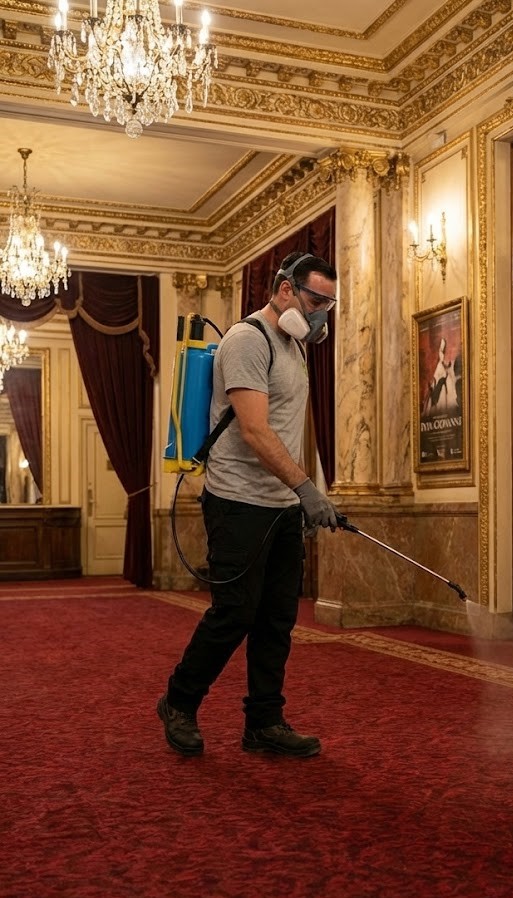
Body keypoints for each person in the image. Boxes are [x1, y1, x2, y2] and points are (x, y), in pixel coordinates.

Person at [157, 251, 339, 759]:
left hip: (280, 504)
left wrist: (295, 497)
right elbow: (256, 430)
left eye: (330, 304)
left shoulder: (295, 346)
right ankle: (178, 701)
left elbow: (284, 426)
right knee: (234, 612)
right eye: (316, 300)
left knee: (277, 618)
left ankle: (264, 721)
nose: (323, 313)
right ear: (285, 290)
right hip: (237, 499)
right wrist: (308, 488)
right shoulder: (246, 340)